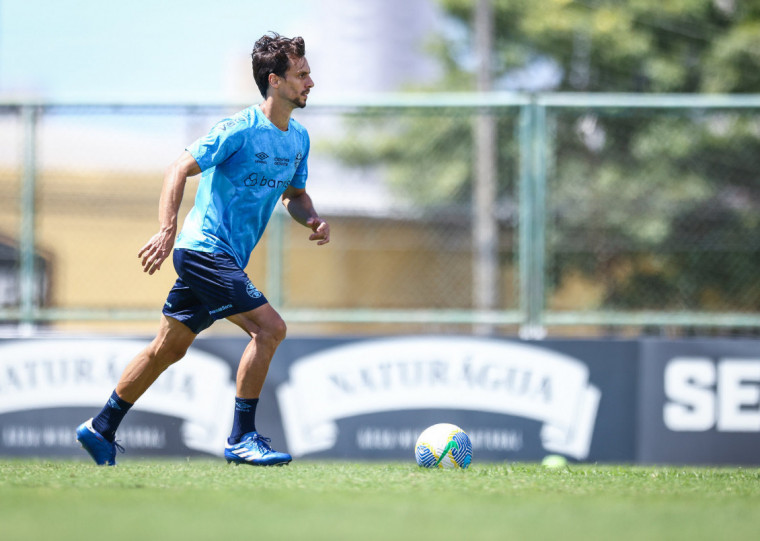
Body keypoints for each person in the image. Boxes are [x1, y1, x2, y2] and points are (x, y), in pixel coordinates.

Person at [75, 32, 329, 466]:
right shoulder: (238, 130)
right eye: (301, 75)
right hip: (204, 251)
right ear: (275, 80)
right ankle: (241, 437)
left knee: (167, 349)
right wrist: (166, 229)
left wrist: (312, 218)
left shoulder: (298, 139)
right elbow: (179, 168)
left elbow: (294, 195)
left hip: (222, 258)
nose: (310, 82)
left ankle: (101, 427)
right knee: (269, 329)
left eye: (308, 73)